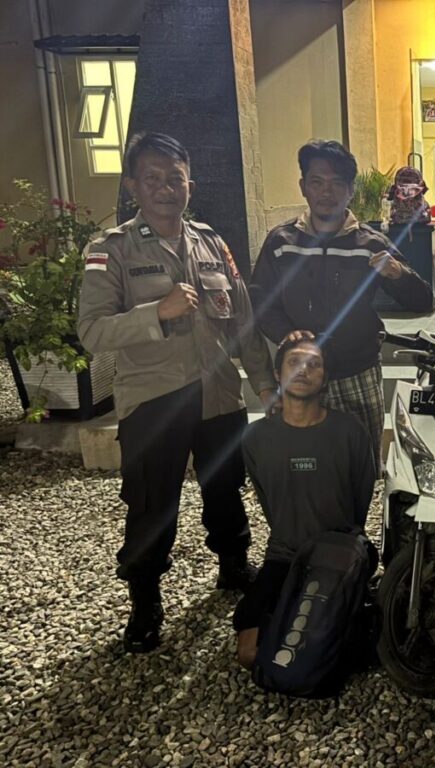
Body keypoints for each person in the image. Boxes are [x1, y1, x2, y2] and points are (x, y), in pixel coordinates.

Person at [77, 132, 276, 654]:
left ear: (191, 183)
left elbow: (244, 322)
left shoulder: (212, 244)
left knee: (226, 487)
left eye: (175, 178)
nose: (165, 188)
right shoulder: (111, 250)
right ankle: (145, 600)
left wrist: (265, 383)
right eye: (152, 179)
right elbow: (92, 331)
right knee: (152, 503)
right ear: (132, 186)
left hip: (218, 395)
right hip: (154, 400)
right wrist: (156, 314)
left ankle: (233, 565)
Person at [249, 140, 432, 474]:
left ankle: (358, 510)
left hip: (357, 370)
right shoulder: (281, 242)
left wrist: (398, 274)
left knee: (362, 464)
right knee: (304, 465)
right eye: (317, 182)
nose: (326, 192)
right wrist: (287, 335)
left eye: (336, 183)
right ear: (303, 186)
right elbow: (261, 301)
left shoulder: (370, 243)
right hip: (301, 373)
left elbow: (421, 300)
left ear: (350, 190)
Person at [234, 338, 375, 668]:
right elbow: (268, 501)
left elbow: (361, 498)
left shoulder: (350, 431)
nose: (304, 370)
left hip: (338, 556)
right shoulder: (256, 438)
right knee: (249, 654)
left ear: (325, 378)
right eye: (294, 362)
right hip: (284, 556)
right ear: (277, 373)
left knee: (346, 650)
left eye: (314, 364)